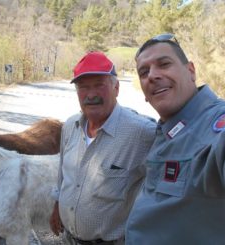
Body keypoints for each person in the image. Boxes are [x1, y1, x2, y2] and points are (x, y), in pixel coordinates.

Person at [125, 33, 225, 244]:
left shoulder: (221, 121)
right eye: (144, 72)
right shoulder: (165, 130)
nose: (152, 75)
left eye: (164, 64)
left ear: (191, 71)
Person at [49, 51, 157, 244]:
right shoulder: (70, 126)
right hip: (69, 239)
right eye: (83, 87)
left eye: (99, 85)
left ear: (116, 87)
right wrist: (58, 205)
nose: (91, 95)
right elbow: (63, 175)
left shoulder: (143, 133)